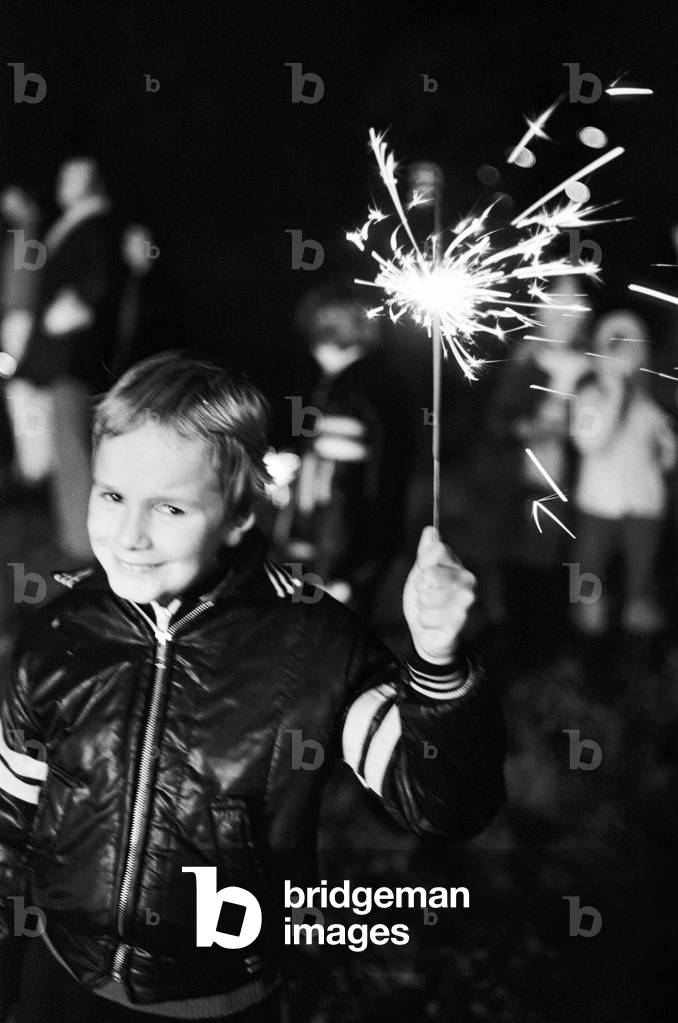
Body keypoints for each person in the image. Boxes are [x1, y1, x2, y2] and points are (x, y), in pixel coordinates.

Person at [0, 353, 505, 1022]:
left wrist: (438, 663)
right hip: (60, 980)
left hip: (218, 999)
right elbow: (10, 820)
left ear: (240, 513)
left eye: (170, 507)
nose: (129, 536)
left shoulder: (314, 646)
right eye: (112, 495)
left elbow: (445, 806)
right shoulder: (58, 633)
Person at [272, 282, 414, 615]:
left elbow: (339, 492)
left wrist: (337, 573)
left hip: (338, 567)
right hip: (371, 554)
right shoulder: (386, 386)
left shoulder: (345, 397)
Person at [15, 156, 121, 562]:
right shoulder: (71, 223)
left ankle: (83, 543)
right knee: (63, 449)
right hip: (57, 358)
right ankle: (73, 538)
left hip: (74, 357)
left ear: (91, 182)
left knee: (74, 447)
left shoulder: (96, 224)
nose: (62, 182)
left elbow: (98, 282)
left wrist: (78, 305)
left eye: (71, 176)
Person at [570, 310, 676, 636]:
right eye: (616, 348)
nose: (625, 356)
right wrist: (614, 393)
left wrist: (666, 451)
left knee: (642, 573)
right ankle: (581, 624)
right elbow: (589, 442)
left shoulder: (650, 403)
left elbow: (668, 455)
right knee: (586, 570)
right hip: (598, 503)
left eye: (632, 348)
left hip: (643, 503)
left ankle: (638, 623)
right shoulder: (588, 396)